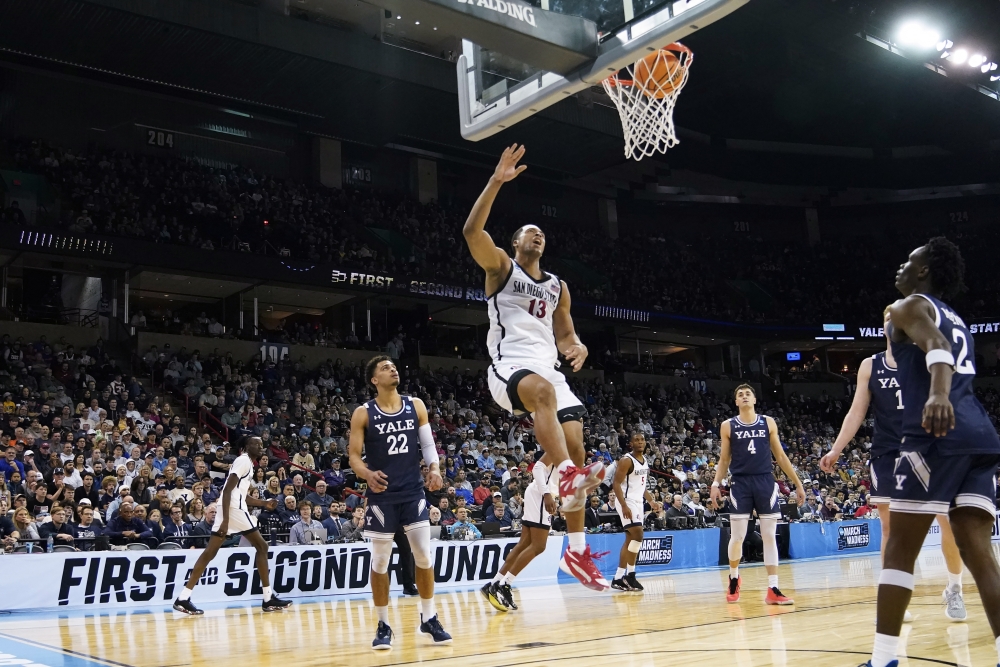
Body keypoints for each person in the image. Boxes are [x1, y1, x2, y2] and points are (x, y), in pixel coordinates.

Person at [463, 144, 607, 591]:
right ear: (515, 243)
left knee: (578, 442)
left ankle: (579, 552)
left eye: (541, 232)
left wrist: (577, 344)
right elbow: (471, 230)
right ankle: (565, 476)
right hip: (511, 367)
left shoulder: (558, 287)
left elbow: (565, 333)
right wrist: (496, 181)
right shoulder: (501, 269)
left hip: (549, 368)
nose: (537, 235)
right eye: (529, 231)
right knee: (546, 400)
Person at [863, 238, 1000, 667]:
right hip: (980, 435)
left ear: (924, 271)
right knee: (981, 554)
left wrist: (937, 395)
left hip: (935, 434)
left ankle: (884, 657)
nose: (901, 266)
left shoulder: (908, 307)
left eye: (909, 260)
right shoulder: (956, 315)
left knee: (899, 549)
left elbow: (937, 348)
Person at [821, 309, 967, 622]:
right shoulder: (869, 365)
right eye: (890, 316)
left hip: (928, 448)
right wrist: (836, 449)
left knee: (947, 520)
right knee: (890, 527)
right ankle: (894, 596)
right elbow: (857, 412)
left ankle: (954, 587)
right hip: (888, 452)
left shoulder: (925, 357)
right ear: (884, 325)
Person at [349, 355, 451, 650]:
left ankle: (429, 618)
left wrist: (434, 469)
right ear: (374, 380)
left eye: (394, 365)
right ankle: (383, 624)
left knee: (423, 556)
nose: (392, 369)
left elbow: (429, 445)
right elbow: (354, 456)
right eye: (385, 368)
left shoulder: (415, 405)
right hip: (382, 497)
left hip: (412, 492)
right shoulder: (363, 413)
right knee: (380, 561)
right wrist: (366, 473)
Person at [173, 437, 291, 614]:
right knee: (262, 546)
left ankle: (183, 597)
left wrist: (264, 504)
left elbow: (241, 495)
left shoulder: (248, 464)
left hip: (232, 507)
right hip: (233, 509)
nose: (261, 447)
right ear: (245, 447)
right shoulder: (243, 460)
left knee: (209, 553)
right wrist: (226, 520)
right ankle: (268, 599)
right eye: (256, 444)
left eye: (262, 445)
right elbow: (227, 490)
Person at [710, 384, 805, 605]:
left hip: (765, 480)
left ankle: (773, 588)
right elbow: (724, 460)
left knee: (769, 536)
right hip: (741, 483)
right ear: (736, 402)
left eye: (747, 394)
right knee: (738, 536)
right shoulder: (728, 426)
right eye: (740, 395)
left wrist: (797, 483)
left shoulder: (767, 422)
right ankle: (734, 578)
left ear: (754, 399)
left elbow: (780, 456)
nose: (744, 397)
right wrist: (716, 483)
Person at [481, 455, 555, 612]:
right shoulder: (561, 443)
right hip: (541, 495)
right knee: (538, 546)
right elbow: (537, 467)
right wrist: (547, 494)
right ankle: (505, 583)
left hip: (538, 494)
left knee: (524, 544)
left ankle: (494, 583)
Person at [611, 432, 660, 592]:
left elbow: (642, 485)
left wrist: (651, 500)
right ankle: (630, 575)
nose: (640, 442)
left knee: (630, 539)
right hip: (627, 501)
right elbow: (616, 484)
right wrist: (624, 505)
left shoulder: (645, 461)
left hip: (638, 501)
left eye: (642, 439)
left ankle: (618, 577)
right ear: (630, 443)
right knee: (638, 535)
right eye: (636, 440)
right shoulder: (626, 460)